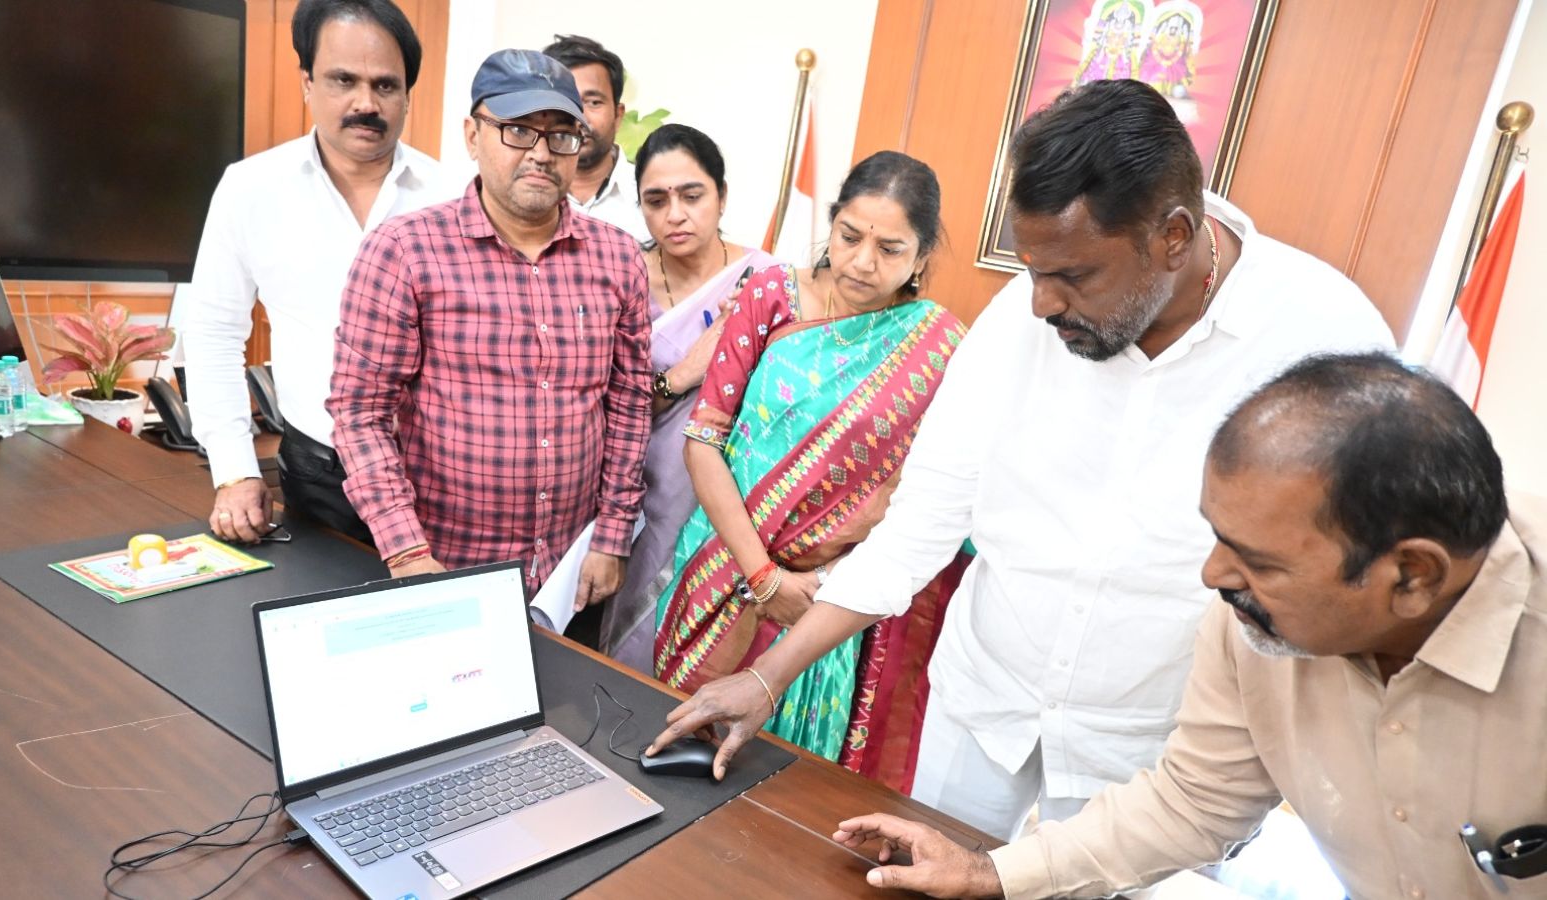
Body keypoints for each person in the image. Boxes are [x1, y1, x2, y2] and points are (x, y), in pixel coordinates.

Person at [647, 78, 1394, 832]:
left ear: (1172, 237)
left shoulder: (1322, 336)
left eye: (1072, 276)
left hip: (1160, 756)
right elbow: (919, 530)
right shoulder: (1018, 322)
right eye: (1031, 269)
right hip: (983, 709)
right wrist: (768, 678)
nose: (1040, 303)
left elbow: (1340, 583)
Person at [831, 352, 1546, 900]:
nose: (1214, 577)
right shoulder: (1250, 623)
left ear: (1413, 576)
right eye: (1217, 537)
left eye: (1258, 561)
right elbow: (1194, 801)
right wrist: (990, 872)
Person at [652, 151, 969, 778]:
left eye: (891, 248)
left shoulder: (939, 346)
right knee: (675, 754)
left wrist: (822, 585)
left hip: (826, 599)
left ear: (923, 257)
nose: (861, 262)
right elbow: (704, 439)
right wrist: (763, 576)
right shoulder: (772, 293)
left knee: (782, 783)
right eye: (850, 236)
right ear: (833, 223)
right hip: (722, 566)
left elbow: (923, 495)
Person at [328, 48, 651, 609]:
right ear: (473, 136)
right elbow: (360, 412)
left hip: (572, 571)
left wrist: (613, 532)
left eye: (561, 135)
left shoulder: (619, 257)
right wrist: (406, 552)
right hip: (445, 565)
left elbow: (628, 402)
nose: (542, 154)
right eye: (518, 131)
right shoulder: (405, 251)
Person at [185, 0, 457, 545]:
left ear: (407, 94)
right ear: (307, 83)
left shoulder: (453, 197)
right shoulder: (250, 188)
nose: (366, 103)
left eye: (385, 85)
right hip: (319, 472)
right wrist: (235, 471)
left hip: (444, 478)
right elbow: (214, 333)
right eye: (343, 80)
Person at [599, 124, 783, 669]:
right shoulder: (620, 276)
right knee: (627, 650)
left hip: (726, 500)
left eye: (692, 195)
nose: (674, 214)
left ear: (722, 197)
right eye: (656, 200)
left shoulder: (766, 281)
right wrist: (685, 372)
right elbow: (602, 412)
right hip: (629, 495)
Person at [542, 34, 650, 243]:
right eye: (565, 101)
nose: (579, 117)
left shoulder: (652, 194)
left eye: (593, 102)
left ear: (618, 115)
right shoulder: (524, 192)